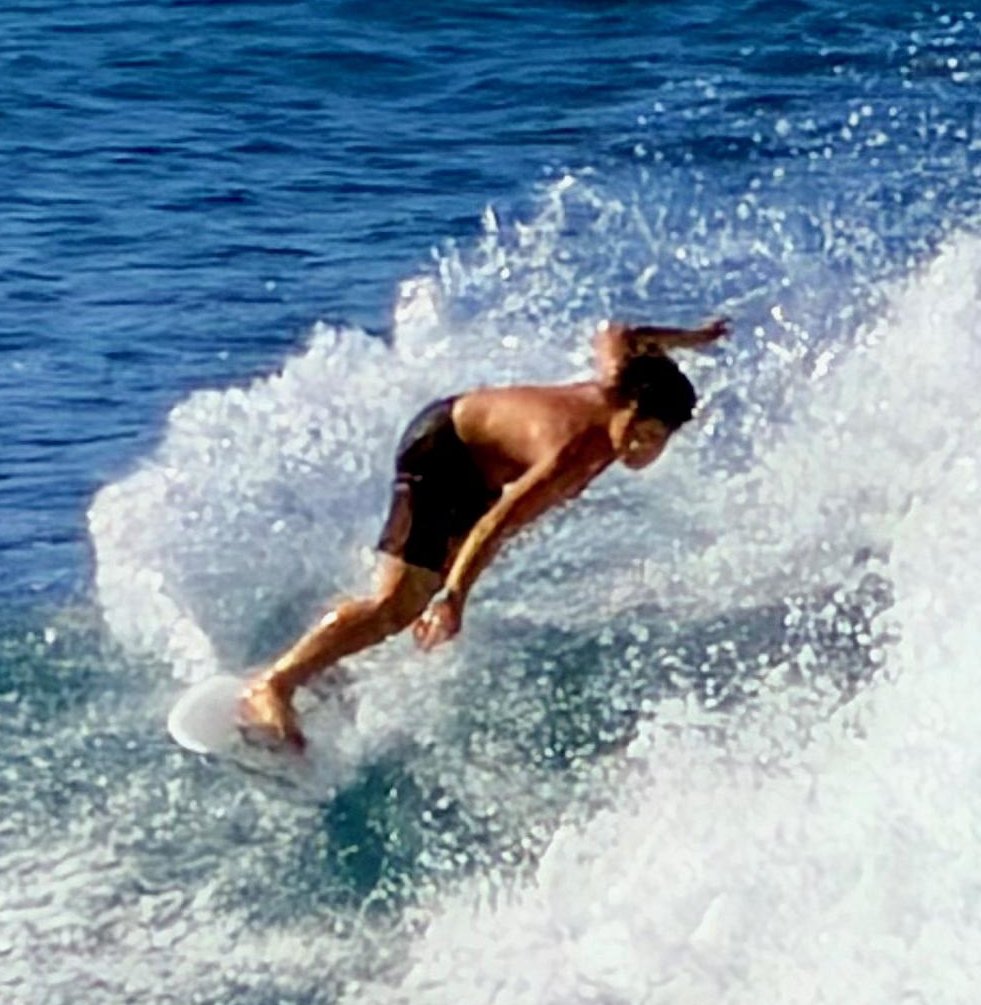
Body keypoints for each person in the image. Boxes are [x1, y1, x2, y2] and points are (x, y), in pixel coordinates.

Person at [236, 315, 732, 745]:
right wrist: (455, 598)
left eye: (656, 443)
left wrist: (691, 338)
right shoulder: (573, 451)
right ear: (623, 406)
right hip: (441, 452)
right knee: (400, 605)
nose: (639, 451)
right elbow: (496, 524)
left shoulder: (626, 377)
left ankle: (329, 656)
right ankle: (273, 686)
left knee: (404, 598)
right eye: (638, 433)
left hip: (478, 464)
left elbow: (618, 332)